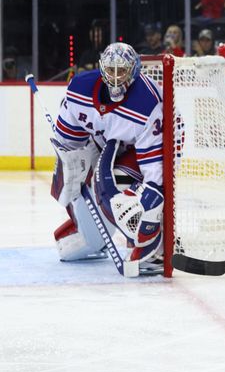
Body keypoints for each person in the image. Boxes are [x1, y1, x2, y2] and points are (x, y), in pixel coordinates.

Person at [50, 42, 165, 275]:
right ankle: (91, 234)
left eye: (121, 71)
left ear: (133, 71)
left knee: (124, 187)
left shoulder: (147, 103)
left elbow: (155, 171)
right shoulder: (79, 89)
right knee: (77, 187)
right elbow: (69, 141)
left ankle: (155, 249)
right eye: (110, 70)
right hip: (106, 148)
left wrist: (149, 209)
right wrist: (74, 167)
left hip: (154, 146)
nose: (114, 77)